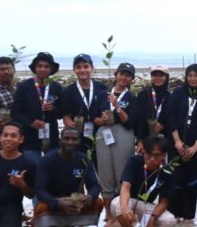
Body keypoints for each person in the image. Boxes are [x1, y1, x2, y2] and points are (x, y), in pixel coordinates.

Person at [34, 127, 103, 227]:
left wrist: (90, 196)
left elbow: (95, 186)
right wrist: (57, 203)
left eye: (74, 139)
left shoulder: (84, 159)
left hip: (75, 201)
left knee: (98, 202)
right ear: (60, 140)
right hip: (53, 201)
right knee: (41, 208)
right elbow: (40, 190)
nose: (70, 142)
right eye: (66, 138)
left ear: (79, 141)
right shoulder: (46, 160)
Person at [110, 134, 178, 227]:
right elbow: (125, 187)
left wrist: (151, 220)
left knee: (169, 221)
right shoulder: (134, 161)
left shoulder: (167, 171)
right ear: (143, 152)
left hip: (145, 206)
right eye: (148, 154)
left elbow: (164, 201)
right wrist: (125, 207)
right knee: (118, 206)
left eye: (156, 155)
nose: (151, 158)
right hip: (127, 201)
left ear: (164, 155)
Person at [166, 64, 197, 221]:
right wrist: (177, 141)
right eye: (190, 75)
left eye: (196, 75)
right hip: (176, 143)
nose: (193, 78)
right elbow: (170, 116)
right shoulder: (178, 93)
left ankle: (189, 215)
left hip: (195, 145)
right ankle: (174, 213)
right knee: (175, 178)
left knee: (192, 180)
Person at [95, 63, 138, 216]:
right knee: (105, 172)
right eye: (121, 74)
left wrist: (117, 106)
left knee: (122, 171)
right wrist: (102, 119)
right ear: (115, 75)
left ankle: (121, 211)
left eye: (128, 75)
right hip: (104, 133)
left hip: (123, 134)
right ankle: (108, 213)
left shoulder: (132, 98)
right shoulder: (102, 94)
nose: (123, 77)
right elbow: (94, 118)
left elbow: (130, 122)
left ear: (131, 79)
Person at [11, 52, 64, 154]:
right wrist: (30, 123)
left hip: (51, 137)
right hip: (29, 139)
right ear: (34, 68)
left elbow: (61, 113)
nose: (43, 69)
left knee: (50, 167)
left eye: (46, 66)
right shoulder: (24, 86)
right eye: (39, 66)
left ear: (52, 69)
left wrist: (53, 108)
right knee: (31, 167)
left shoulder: (57, 87)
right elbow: (15, 113)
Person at [60, 53, 107, 154]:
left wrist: (105, 117)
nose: (82, 70)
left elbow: (106, 110)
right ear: (74, 70)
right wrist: (69, 124)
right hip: (78, 136)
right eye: (78, 67)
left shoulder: (102, 88)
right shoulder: (68, 91)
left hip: (99, 134)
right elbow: (66, 116)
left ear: (92, 68)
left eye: (86, 66)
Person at [135, 65, 170, 144]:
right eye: (154, 75)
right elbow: (138, 119)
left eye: (161, 75)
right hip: (145, 138)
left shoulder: (170, 96)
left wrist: (163, 126)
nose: (157, 78)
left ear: (167, 77)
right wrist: (139, 140)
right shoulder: (143, 94)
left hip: (163, 139)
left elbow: (172, 120)